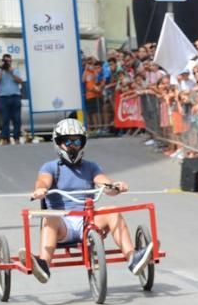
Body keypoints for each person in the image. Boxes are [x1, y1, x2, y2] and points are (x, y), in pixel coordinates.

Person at [27, 118, 152, 283]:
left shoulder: (91, 167)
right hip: (62, 223)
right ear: (58, 143)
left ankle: (133, 258)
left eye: (77, 141)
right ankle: (43, 264)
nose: (72, 146)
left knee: (113, 212)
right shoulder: (50, 167)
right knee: (50, 217)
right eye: (67, 141)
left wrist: (114, 186)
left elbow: (103, 183)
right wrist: (40, 190)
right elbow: (43, 181)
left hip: (88, 220)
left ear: (83, 143)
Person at [0, 53, 24, 144]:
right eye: (5, 61)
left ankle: (16, 137)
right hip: (4, 97)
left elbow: (20, 81)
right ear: (3, 61)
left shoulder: (15, 70)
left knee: (17, 119)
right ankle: (5, 138)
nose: (7, 62)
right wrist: (1, 70)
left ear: (11, 61)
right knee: (5, 119)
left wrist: (11, 72)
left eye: (9, 61)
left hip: (15, 96)